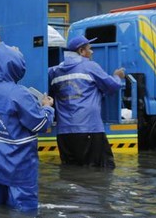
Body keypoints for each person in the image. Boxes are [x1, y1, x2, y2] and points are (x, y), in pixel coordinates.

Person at [0, 43, 54, 212]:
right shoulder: (20, 94)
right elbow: (40, 124)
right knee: (23, 216)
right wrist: (47, 107)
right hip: (18, 167)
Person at [48, 35, 124, 168]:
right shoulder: (90, 66)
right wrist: (117, 76)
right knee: (101, 170)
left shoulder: (54, 71)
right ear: (81, 51)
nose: (92, 52)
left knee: (70, 171)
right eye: (90, 49)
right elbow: (112, 86)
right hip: (89, 129)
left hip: (64, 134)